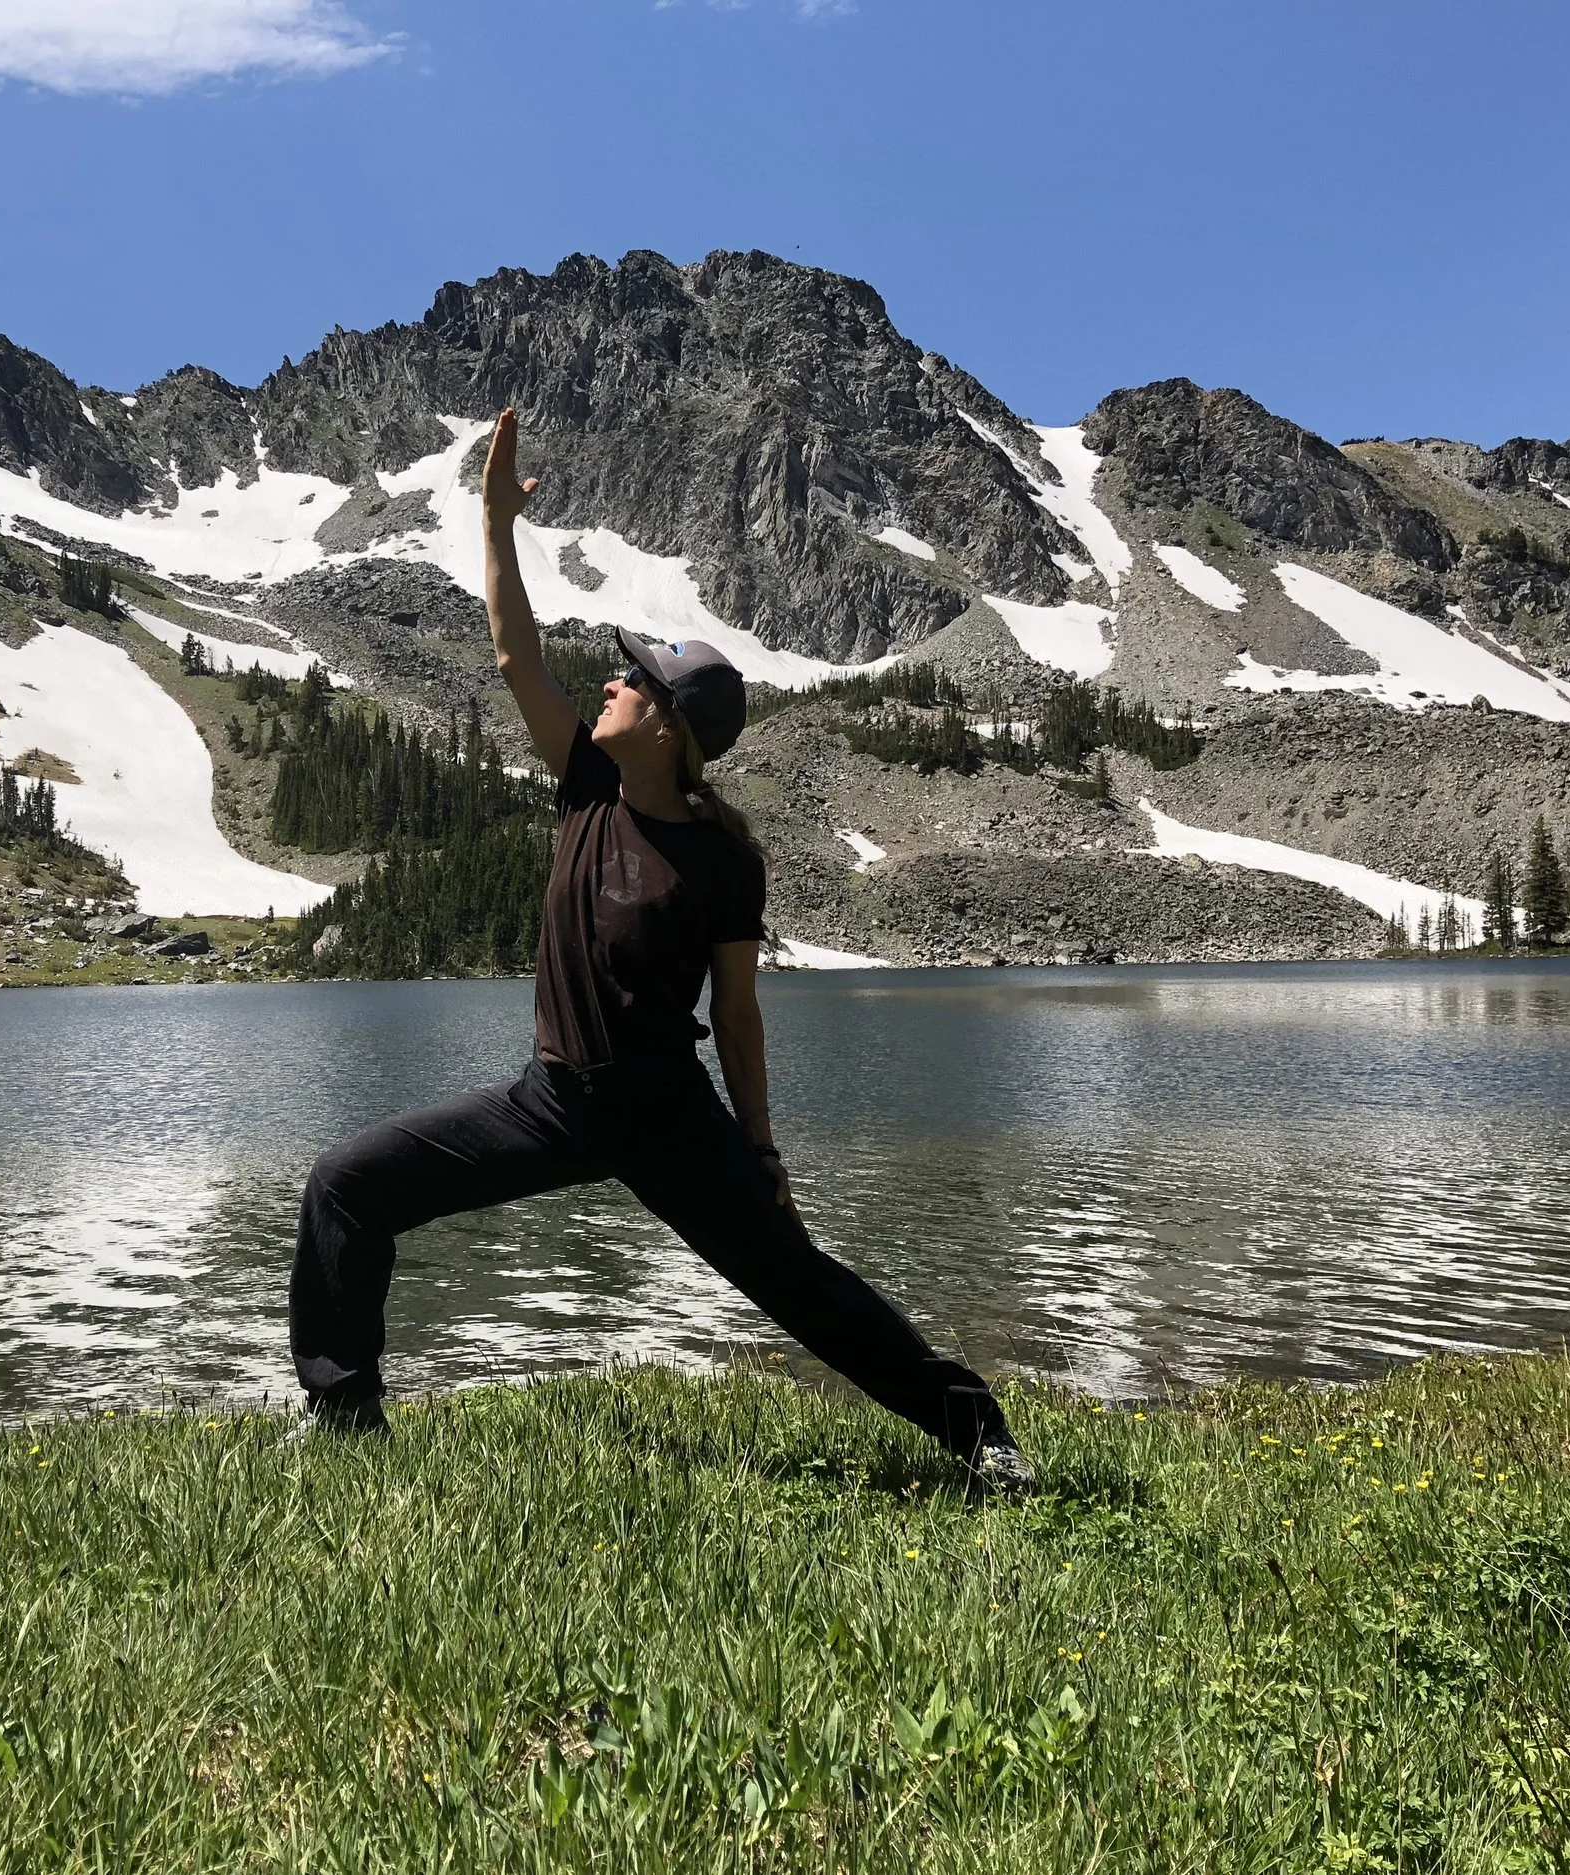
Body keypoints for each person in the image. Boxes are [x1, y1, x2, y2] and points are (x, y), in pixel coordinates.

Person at [286, 408, 1034, 1489]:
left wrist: (760, 1149)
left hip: (669, 1115)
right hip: (549, 1102)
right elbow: (513, 651)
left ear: (670, 723)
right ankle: (343, 1415)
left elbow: (736, 1013)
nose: (608, 684)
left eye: (630, 680)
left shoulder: (723, 860)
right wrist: (494, 523)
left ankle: (978, 1433)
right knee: (347, 1185)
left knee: (797, 1282)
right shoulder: (586, 787)